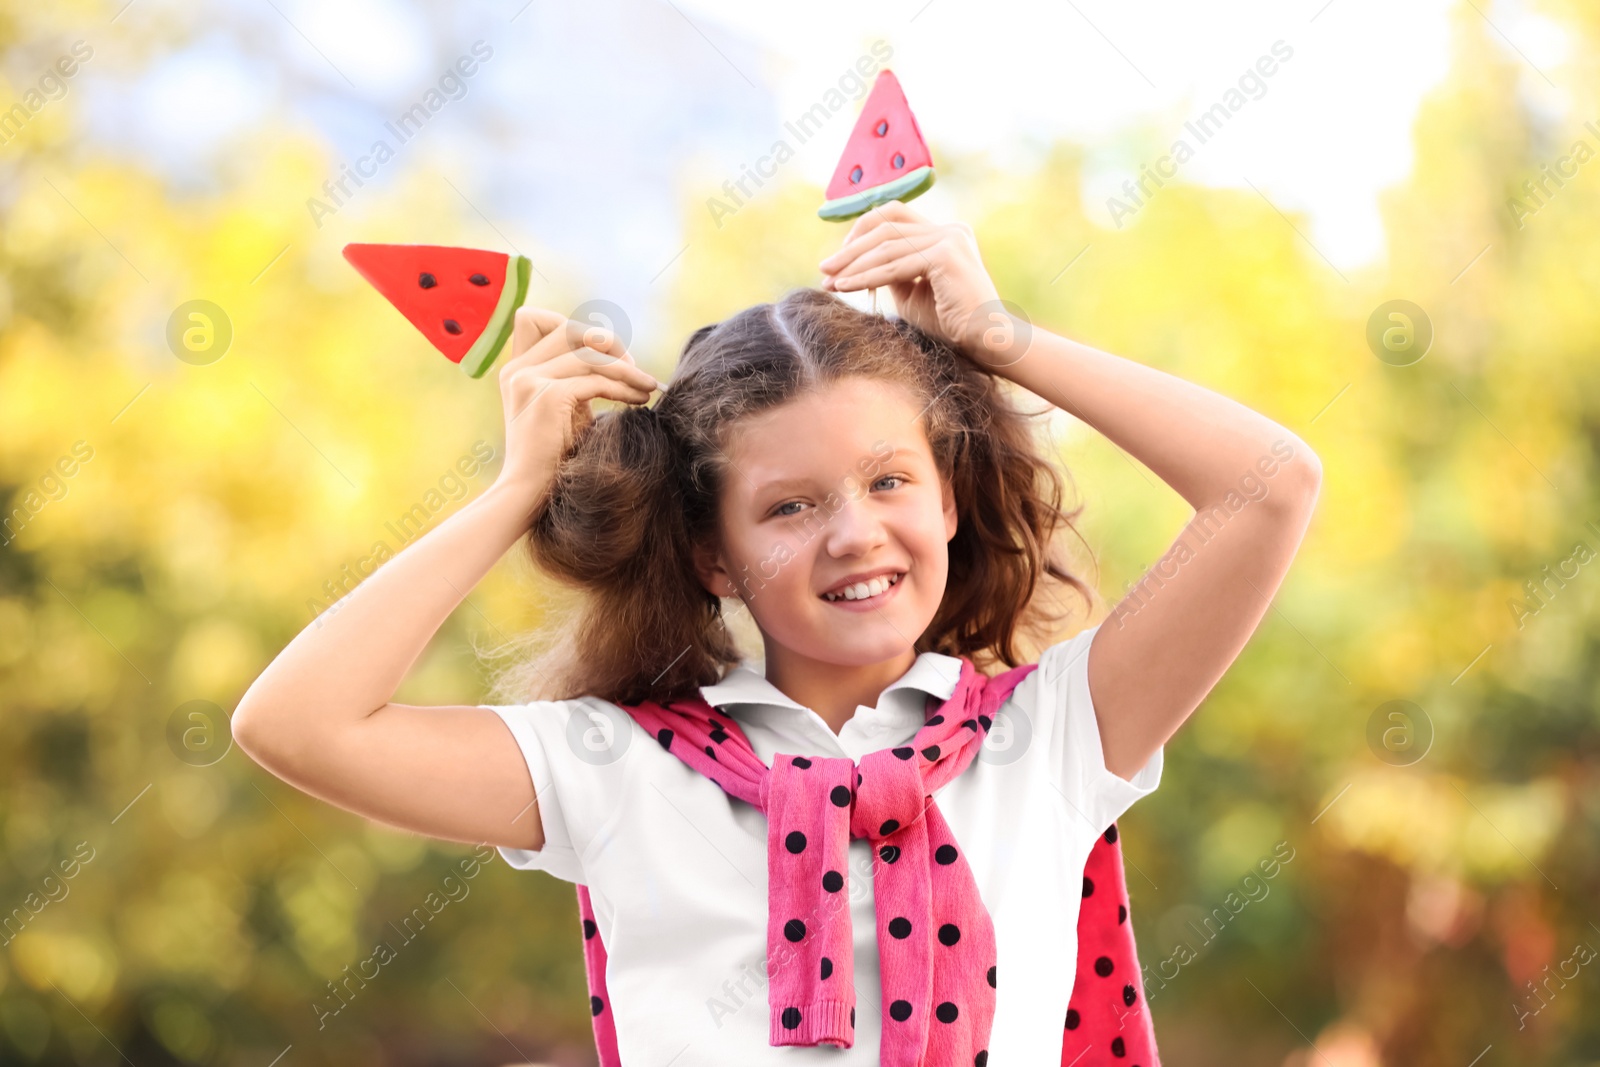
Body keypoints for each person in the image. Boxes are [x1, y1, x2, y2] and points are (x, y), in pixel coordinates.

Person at [233, 199, 1321, 1064]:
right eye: (790, 506)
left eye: (890, 479)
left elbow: (1271, 487)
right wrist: (518, 485)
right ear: (713, 556)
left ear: (946, 501)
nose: (855, 534)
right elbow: (297, 722)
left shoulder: (1053, 735)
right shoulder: (619, 764)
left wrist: (1002, 338)